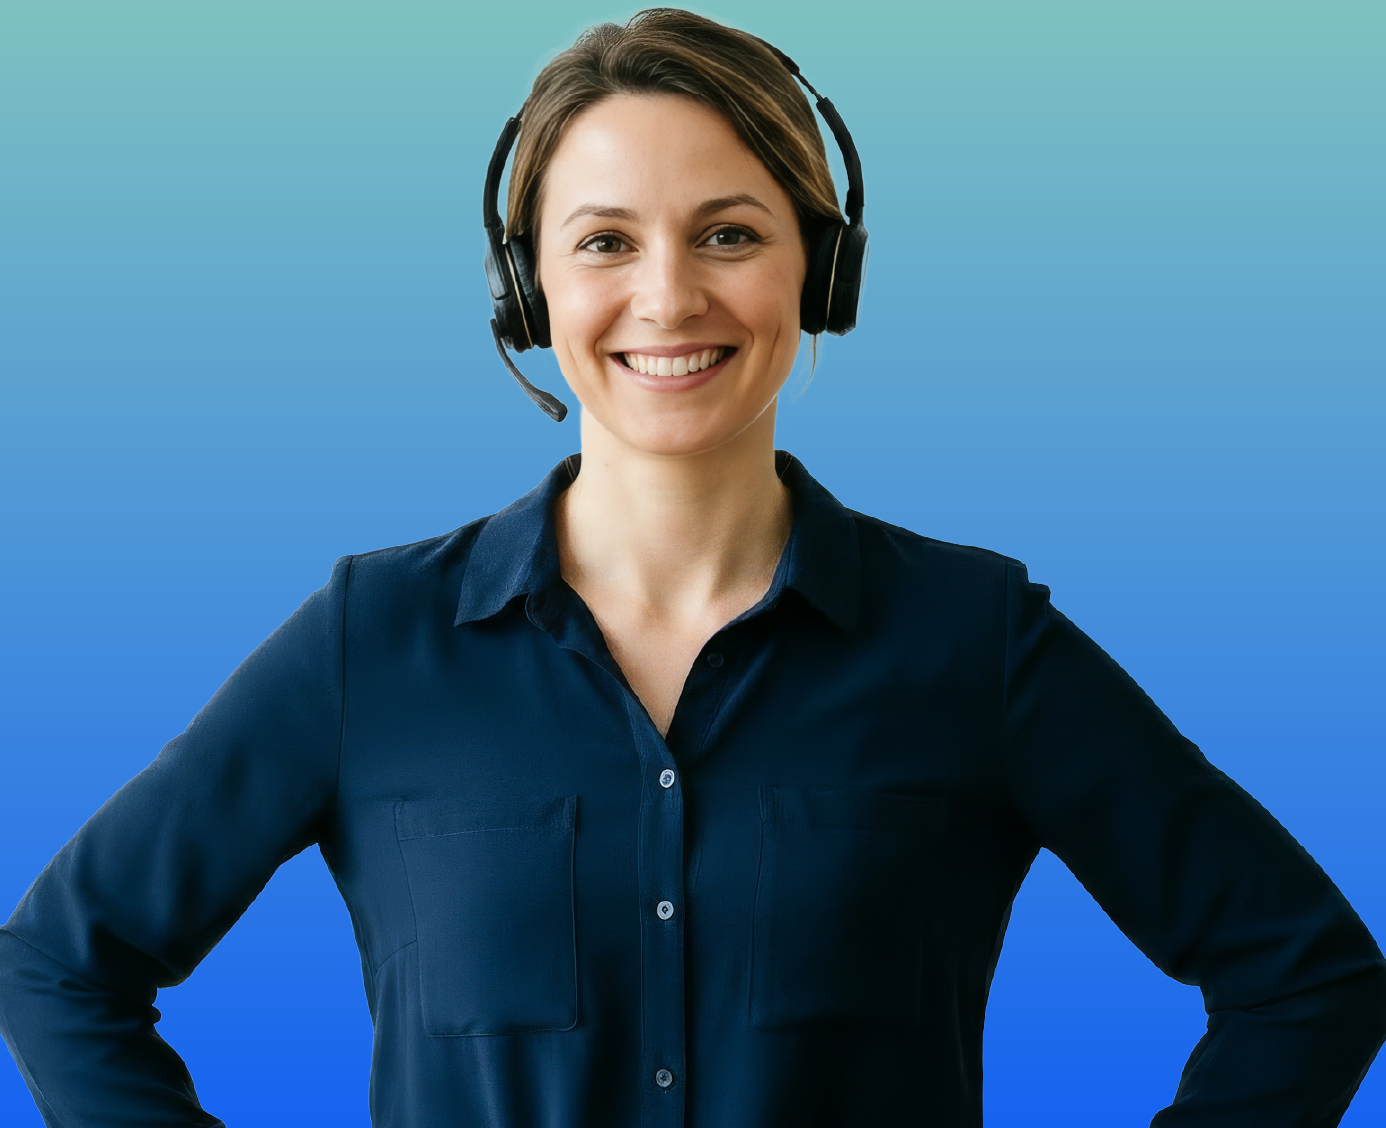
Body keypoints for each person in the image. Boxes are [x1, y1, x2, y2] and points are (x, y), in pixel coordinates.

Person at [1, 8, 1383, 1127]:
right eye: (604, 241)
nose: (668, 297)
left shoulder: (976, 642)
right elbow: (61, 963)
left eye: (729, 232)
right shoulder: (376, 640)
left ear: (819, 276)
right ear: (529, 291)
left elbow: (1303, 980)